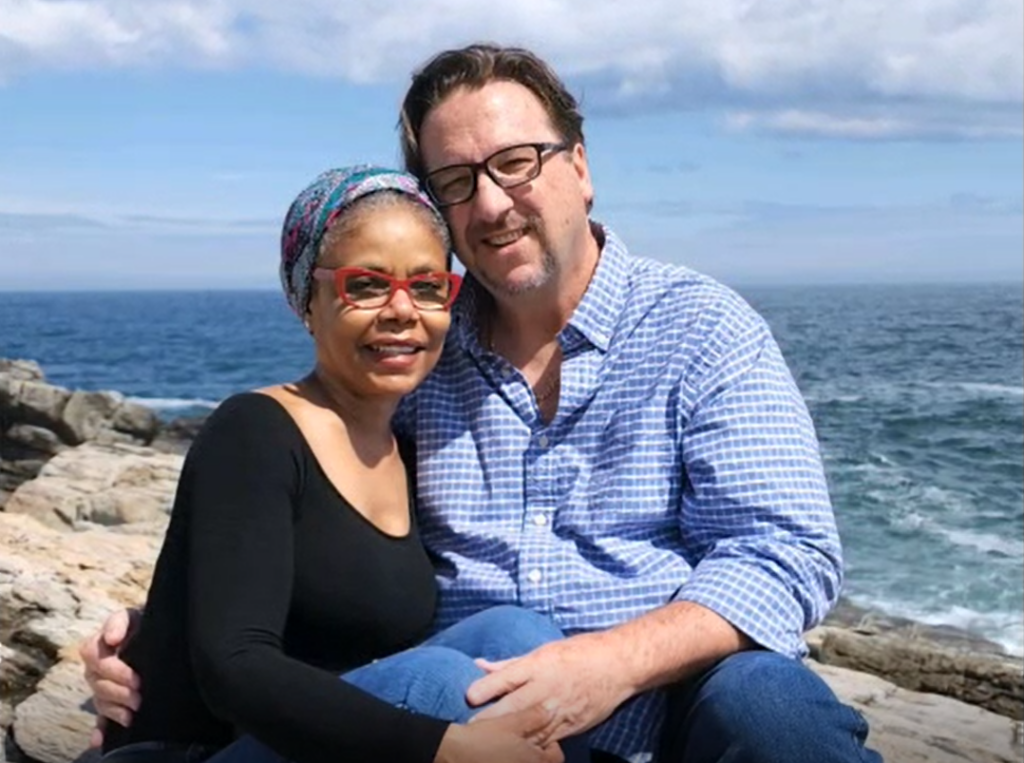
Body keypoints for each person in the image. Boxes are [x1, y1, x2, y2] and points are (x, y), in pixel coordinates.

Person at [84, 45, 883, 762]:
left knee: (775, 709)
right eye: (459, 182)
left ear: (581, 166)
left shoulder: (700, 328)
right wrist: (163, 636)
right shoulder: (417, 355)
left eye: (518, 162)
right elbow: (304, 510)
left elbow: (787, 553)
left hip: (672, 701)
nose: (494, 203)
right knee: (474, 657)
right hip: (471, 707)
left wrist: (610, 662)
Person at [95, 164, 590, 763]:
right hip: (193, 752)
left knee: (520, 639)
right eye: (367, 285)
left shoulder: (408, 447)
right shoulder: (254, 432)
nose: (403, 310)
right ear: (309, 298)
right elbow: (235, 663)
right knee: (431, 681)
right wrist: (447, 748)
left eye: (428, 286)